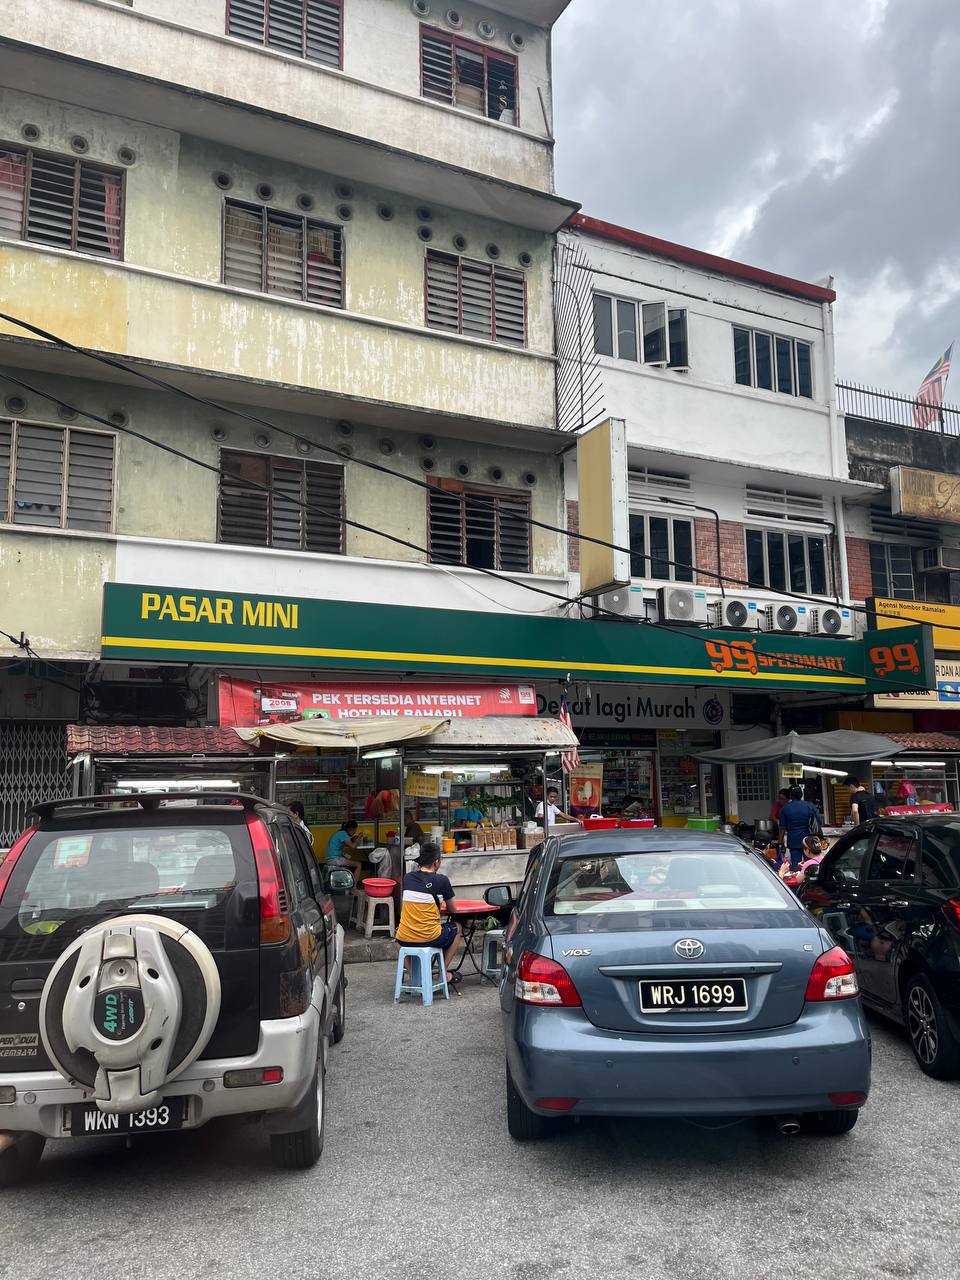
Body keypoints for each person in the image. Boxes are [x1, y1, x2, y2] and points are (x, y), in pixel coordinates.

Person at [395, 844, 462, 982]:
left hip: (404, 937)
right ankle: (442, 974)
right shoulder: (442, 880)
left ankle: (414, 976)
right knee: (457, 927)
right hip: (429, 937)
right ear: (436, 862)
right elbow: (453, 910)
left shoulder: (407, 878)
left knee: (399, 937)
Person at [778, 785, 823, 873]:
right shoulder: (810, 806)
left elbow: (782, 828)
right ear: (801, 794)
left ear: (790, 795)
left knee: (796, 865)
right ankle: (810, 878)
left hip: (793, 840)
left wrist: (780, 843)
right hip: (808, 840)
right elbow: (819, 822)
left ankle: (797, 879)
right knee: (811, 863)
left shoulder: (785, 808)